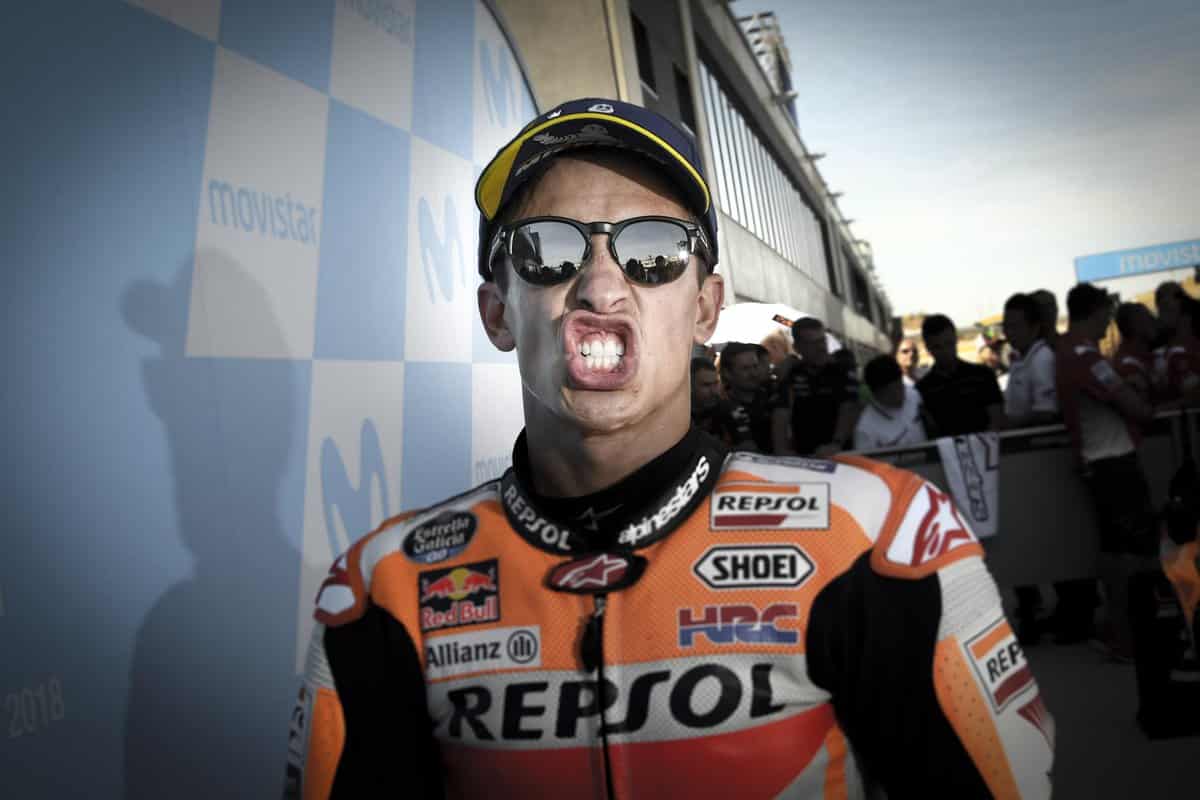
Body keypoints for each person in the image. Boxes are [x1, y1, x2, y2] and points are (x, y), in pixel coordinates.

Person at [287, 97, 1053, 798]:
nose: (600, 288)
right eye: (547, 250)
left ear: (706, 308)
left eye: (653, 251)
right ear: (497, 314)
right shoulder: (386, 587)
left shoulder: (879, 539)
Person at [1056, 283, 1156, 654]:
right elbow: (1135, 407)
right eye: (1105, 316)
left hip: (1100, 463)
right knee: (1132, 553)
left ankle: (1120, 631)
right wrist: (1141, 394)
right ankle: (1129, 634)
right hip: (1114, 463)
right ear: (1095, 313)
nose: (1107, 323)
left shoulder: (1068, 352)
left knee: (1115, 550)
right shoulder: (1084, 357)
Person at [771, 318, 860, 456]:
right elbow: (781, 413)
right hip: (805, 456)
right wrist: (781, 450)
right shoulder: (791, 373)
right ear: (797, 347)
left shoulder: (842, 370)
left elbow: (849, 408)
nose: (821, 348)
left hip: (842, 453)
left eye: (822, 341)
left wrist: (836, 443)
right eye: (812, 343)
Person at [916, 314, 1005, 436]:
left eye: (949, 344)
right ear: (928, 348)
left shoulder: (983, 376)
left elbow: (997, 420)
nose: (945, 351)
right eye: (938, 347)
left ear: (955, 339)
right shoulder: (923, 389)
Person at [1003, 293, 1058, 429]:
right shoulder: (1018, 356)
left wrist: (1009, 424)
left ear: (1034, 328)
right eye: (1006, 326)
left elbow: (1046, 413)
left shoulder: (1042, 359)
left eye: (1015, 327)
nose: (1009, 332)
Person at [853, 355, 929, 450]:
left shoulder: (913, 395)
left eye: (900, 387)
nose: (899, 395)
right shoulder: (865, 429)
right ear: (876, 393)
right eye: (891, 392)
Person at [716, 341, 775, 452]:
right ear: (727, 373)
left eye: (755, 366)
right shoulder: (718, 408)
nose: (753, 373)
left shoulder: (774, 398)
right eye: (745, 368)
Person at [1112, 302, 1158, 406]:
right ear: (1136, 326)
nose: (1154, 321)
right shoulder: (1128, 365)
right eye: (1148, 318)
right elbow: (1145, 409)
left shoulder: (1146, 356)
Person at [690, 356, 726, 438]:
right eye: (706, 385)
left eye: (716, 383)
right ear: (690, 386)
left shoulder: (725, 409)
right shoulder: (679, 418)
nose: (714, 391)